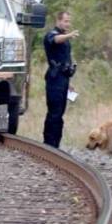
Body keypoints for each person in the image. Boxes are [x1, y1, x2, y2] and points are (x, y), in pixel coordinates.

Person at [43, 11, 79, 148]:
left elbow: (66, 60)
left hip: (63, 79)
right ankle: (49, 144)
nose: (68, 24)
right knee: (54, 113)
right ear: (58, 21)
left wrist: (69, 83)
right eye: (65, 21)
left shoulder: (65, 39)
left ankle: (55, 144)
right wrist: (69, 35)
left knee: (60, 114)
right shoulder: (51, 35)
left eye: (69, 21)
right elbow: (56, 39)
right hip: (54, 79)